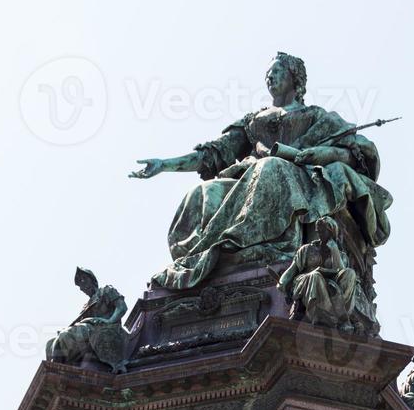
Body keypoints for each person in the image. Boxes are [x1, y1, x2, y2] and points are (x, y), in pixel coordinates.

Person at [130, 52, 392, 290]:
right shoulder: (253, 122)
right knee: (202, 193)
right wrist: (165, 164)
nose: (270, 76)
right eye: (268, 73)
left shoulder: (317, 117)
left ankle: (243, 247)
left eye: (277, 71)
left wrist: (325, 154)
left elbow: (360, 151)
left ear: (295, 78)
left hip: (298, 177)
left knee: (270, 167)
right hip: (248, 177)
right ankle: (208, 257)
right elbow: (213, 153)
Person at [277, 215, 376, 333]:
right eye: (318, 230)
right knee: (316, 276)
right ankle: (328, 318)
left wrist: (334, 250)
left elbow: (340, 270)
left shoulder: (341, 255)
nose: (319, 233)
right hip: (306, 281)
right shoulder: (307, 249)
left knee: (350, 273)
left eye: (322, 230)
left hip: (331, 283)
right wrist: (282, 282)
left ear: (331, 232)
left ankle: (339, 314)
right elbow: (293, 268)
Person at [46, 267, 128, 372]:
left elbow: (122, 307)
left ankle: (58, 372)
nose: (82, 286)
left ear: (92, 280)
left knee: (65, 335)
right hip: (90, 328)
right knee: (51, 343)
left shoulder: (106, 290)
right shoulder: (86, 306)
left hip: (108, 328)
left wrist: (110, 320)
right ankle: (57, 372)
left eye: (84, 280)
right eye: (80, 284)